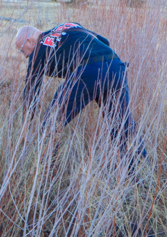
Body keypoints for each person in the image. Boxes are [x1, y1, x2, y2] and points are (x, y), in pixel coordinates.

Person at [15, 23, 143, 157]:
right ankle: (139, 166)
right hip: (116, 66)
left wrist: (26, 125)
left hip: (90, 69)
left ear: (29, 41)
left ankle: (47, 166)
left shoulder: (38, 50)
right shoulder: (67, 26)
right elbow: (104, 41)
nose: (25, 56)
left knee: (51, 122)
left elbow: (31, 92)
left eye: (23, 51)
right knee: (122, 126)